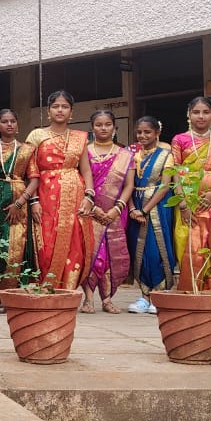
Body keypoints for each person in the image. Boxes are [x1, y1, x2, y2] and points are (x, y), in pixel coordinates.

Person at [26, 90, 95, 290]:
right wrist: (34, 200)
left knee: (74, 244)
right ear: (48, 111)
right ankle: (45, 288)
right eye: (55, 106)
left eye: (64, 106)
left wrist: (89, 197)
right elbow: (31, 170)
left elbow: (86, 170)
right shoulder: (37, 135)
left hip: (74, 196)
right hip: (45, 195)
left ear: (71, 112)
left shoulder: (80, 138)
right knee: (46, 245)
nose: (60, 110)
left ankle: (67, 291)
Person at [170, 96, 211, 292]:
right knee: (189, 243)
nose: (201, 116)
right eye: (196, 112)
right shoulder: (179, 140)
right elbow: (175, 172)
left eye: (205, 112)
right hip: (188, 197)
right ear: (188, 115)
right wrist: (183, 203)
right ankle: (189, 289)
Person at [82, 110, 134, 314]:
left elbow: (129, 186)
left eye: (107, 124)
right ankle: (88, 299)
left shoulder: (125, 155)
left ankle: (107, 298)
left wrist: (116, 208)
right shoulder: (84, 152)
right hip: (90, 210)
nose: (103, 128)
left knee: (112, 257)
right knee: (90, 255)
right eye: (98, 125)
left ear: (114, 127)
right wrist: (93, 208)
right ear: (92, 128)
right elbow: (81, 182)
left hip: (115, 213)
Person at [126, 116, 175, 314]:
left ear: (157, 133)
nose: (142, 136)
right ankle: (144, 296)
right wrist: (131, 209)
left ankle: (159, 294)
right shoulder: (131, 155)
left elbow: (165, 185)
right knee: (138, 249)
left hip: (157, 206)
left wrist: (144, 210)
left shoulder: (166, 155)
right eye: (139, 132)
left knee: (157, 249)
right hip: (135, 204)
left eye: (147, 132)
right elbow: (127, 184)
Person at [0, 108, 37, 313]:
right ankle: (2, 297)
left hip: (20, 197)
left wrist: (20, 203)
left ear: (18, 125)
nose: (9, 125)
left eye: (12, 121)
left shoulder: (27, 149)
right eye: (4, 121)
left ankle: (14, 296)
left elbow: (34, 178)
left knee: (16, 248)